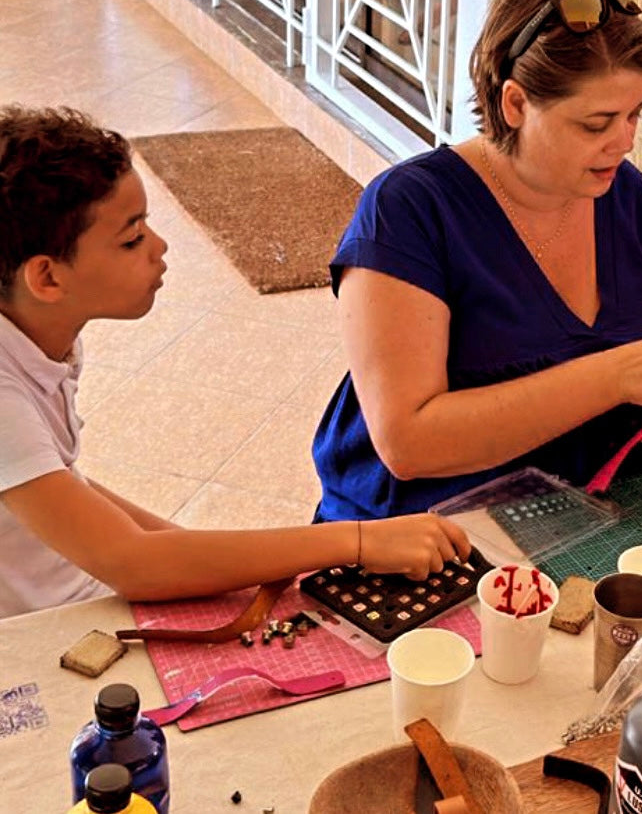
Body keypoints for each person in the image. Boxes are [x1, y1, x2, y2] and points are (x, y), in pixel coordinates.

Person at [0, 106, 469, 620]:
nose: (159, 247)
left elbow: (67, 486)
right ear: (46, 278)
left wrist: (193, 554)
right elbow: (132, 561)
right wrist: (356, 540)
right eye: (131, 239)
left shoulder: (38, 335)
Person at [312, 0, 642, 522]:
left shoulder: (628, 199)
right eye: (596, 123)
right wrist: (614, 376)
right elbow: (408, 444)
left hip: (582, 513)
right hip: (423, 537)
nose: (625, 140)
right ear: (514, 104)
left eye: (635, 114)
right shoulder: (410, 209)